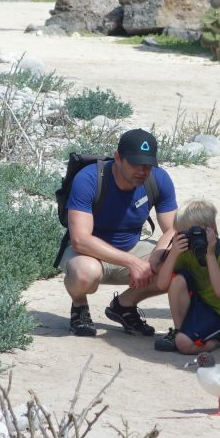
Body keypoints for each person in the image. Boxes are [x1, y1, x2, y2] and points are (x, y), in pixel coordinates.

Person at [58, 128, 178, 337]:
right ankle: (79, 307)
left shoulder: (158, 179)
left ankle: (124, 305)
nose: (142, 170)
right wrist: (132, 263)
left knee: (182, 261)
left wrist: (156, 257)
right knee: (85, 274)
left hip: (132, 247)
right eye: (135, 163)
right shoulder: (88, 179)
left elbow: (174, 229)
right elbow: (80, 240)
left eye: (148, 165)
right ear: (117, 158)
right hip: (88, 254)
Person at [154, 199, 220, 354]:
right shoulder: (185, 252)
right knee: (178, 278)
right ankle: (179, 329)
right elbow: (162, 285)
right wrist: (173, 254)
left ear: (212, 228)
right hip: (195, 305)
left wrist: (210, 255)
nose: (192, 239)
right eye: (185, 234)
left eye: (195, 233)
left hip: (217, 312)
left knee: (184, 345)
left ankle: (219, 339)